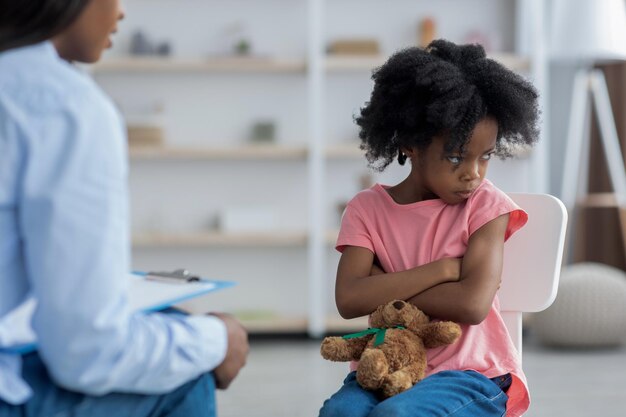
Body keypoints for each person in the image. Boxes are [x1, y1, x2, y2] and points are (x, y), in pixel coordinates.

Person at [0, 1, 249, 416]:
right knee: (188, 373)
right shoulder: (63, 105)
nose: (122, 12)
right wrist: (219, 339)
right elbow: (86, 354)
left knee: (167, 319)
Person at [318, 39, 539, 417]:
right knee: (340, 413)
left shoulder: (486, 206)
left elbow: (471, 304)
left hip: (471, 375)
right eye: (455, 156)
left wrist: (384, 285)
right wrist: (442, 272)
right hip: (386, 365)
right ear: (411, 144)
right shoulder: (367, 209)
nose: (473, 173)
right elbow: (349, 300)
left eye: (484, 157)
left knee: (395, 416)